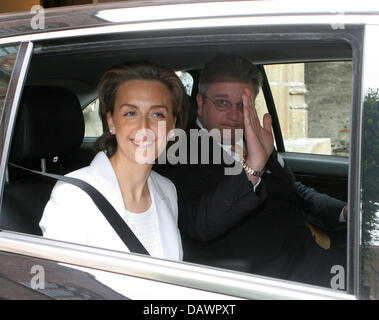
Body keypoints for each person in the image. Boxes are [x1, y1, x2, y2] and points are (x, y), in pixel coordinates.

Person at [156, 53, 347, 287]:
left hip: (312, 247)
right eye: (223, 103)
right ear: (200, 103)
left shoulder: (252, 137)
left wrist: (345, 211)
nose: (235, 116)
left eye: (243, 105)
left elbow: (295, 191)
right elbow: (199, 223)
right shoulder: (178, 152)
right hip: (272, 275)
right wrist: (253, 166)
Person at [40, 61, 189, 261]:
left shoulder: (167, 190)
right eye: (130, 113)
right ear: (111, 121)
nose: (144, 127)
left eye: (157, 114)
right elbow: (61, 287)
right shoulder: (73, 196)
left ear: (172, 125)